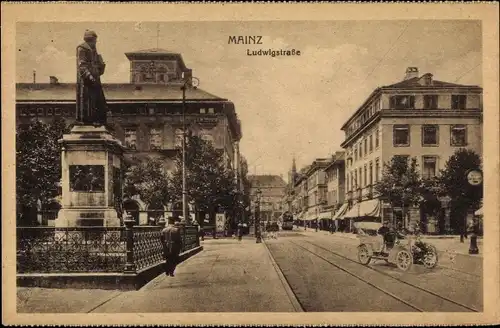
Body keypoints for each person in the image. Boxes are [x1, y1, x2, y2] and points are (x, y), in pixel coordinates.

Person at [76, 30, 107, 126]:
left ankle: (99, 121)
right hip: (87, 82)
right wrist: (90, 77)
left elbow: (99, 69)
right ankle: (90, 121)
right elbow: (82, 66)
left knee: (99, 101)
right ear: (91, 40)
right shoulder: (82, 48)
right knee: (89, 101)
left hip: (95, 79)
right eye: (95, 41)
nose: (96, 43)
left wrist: (101, 65)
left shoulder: (93, 50)